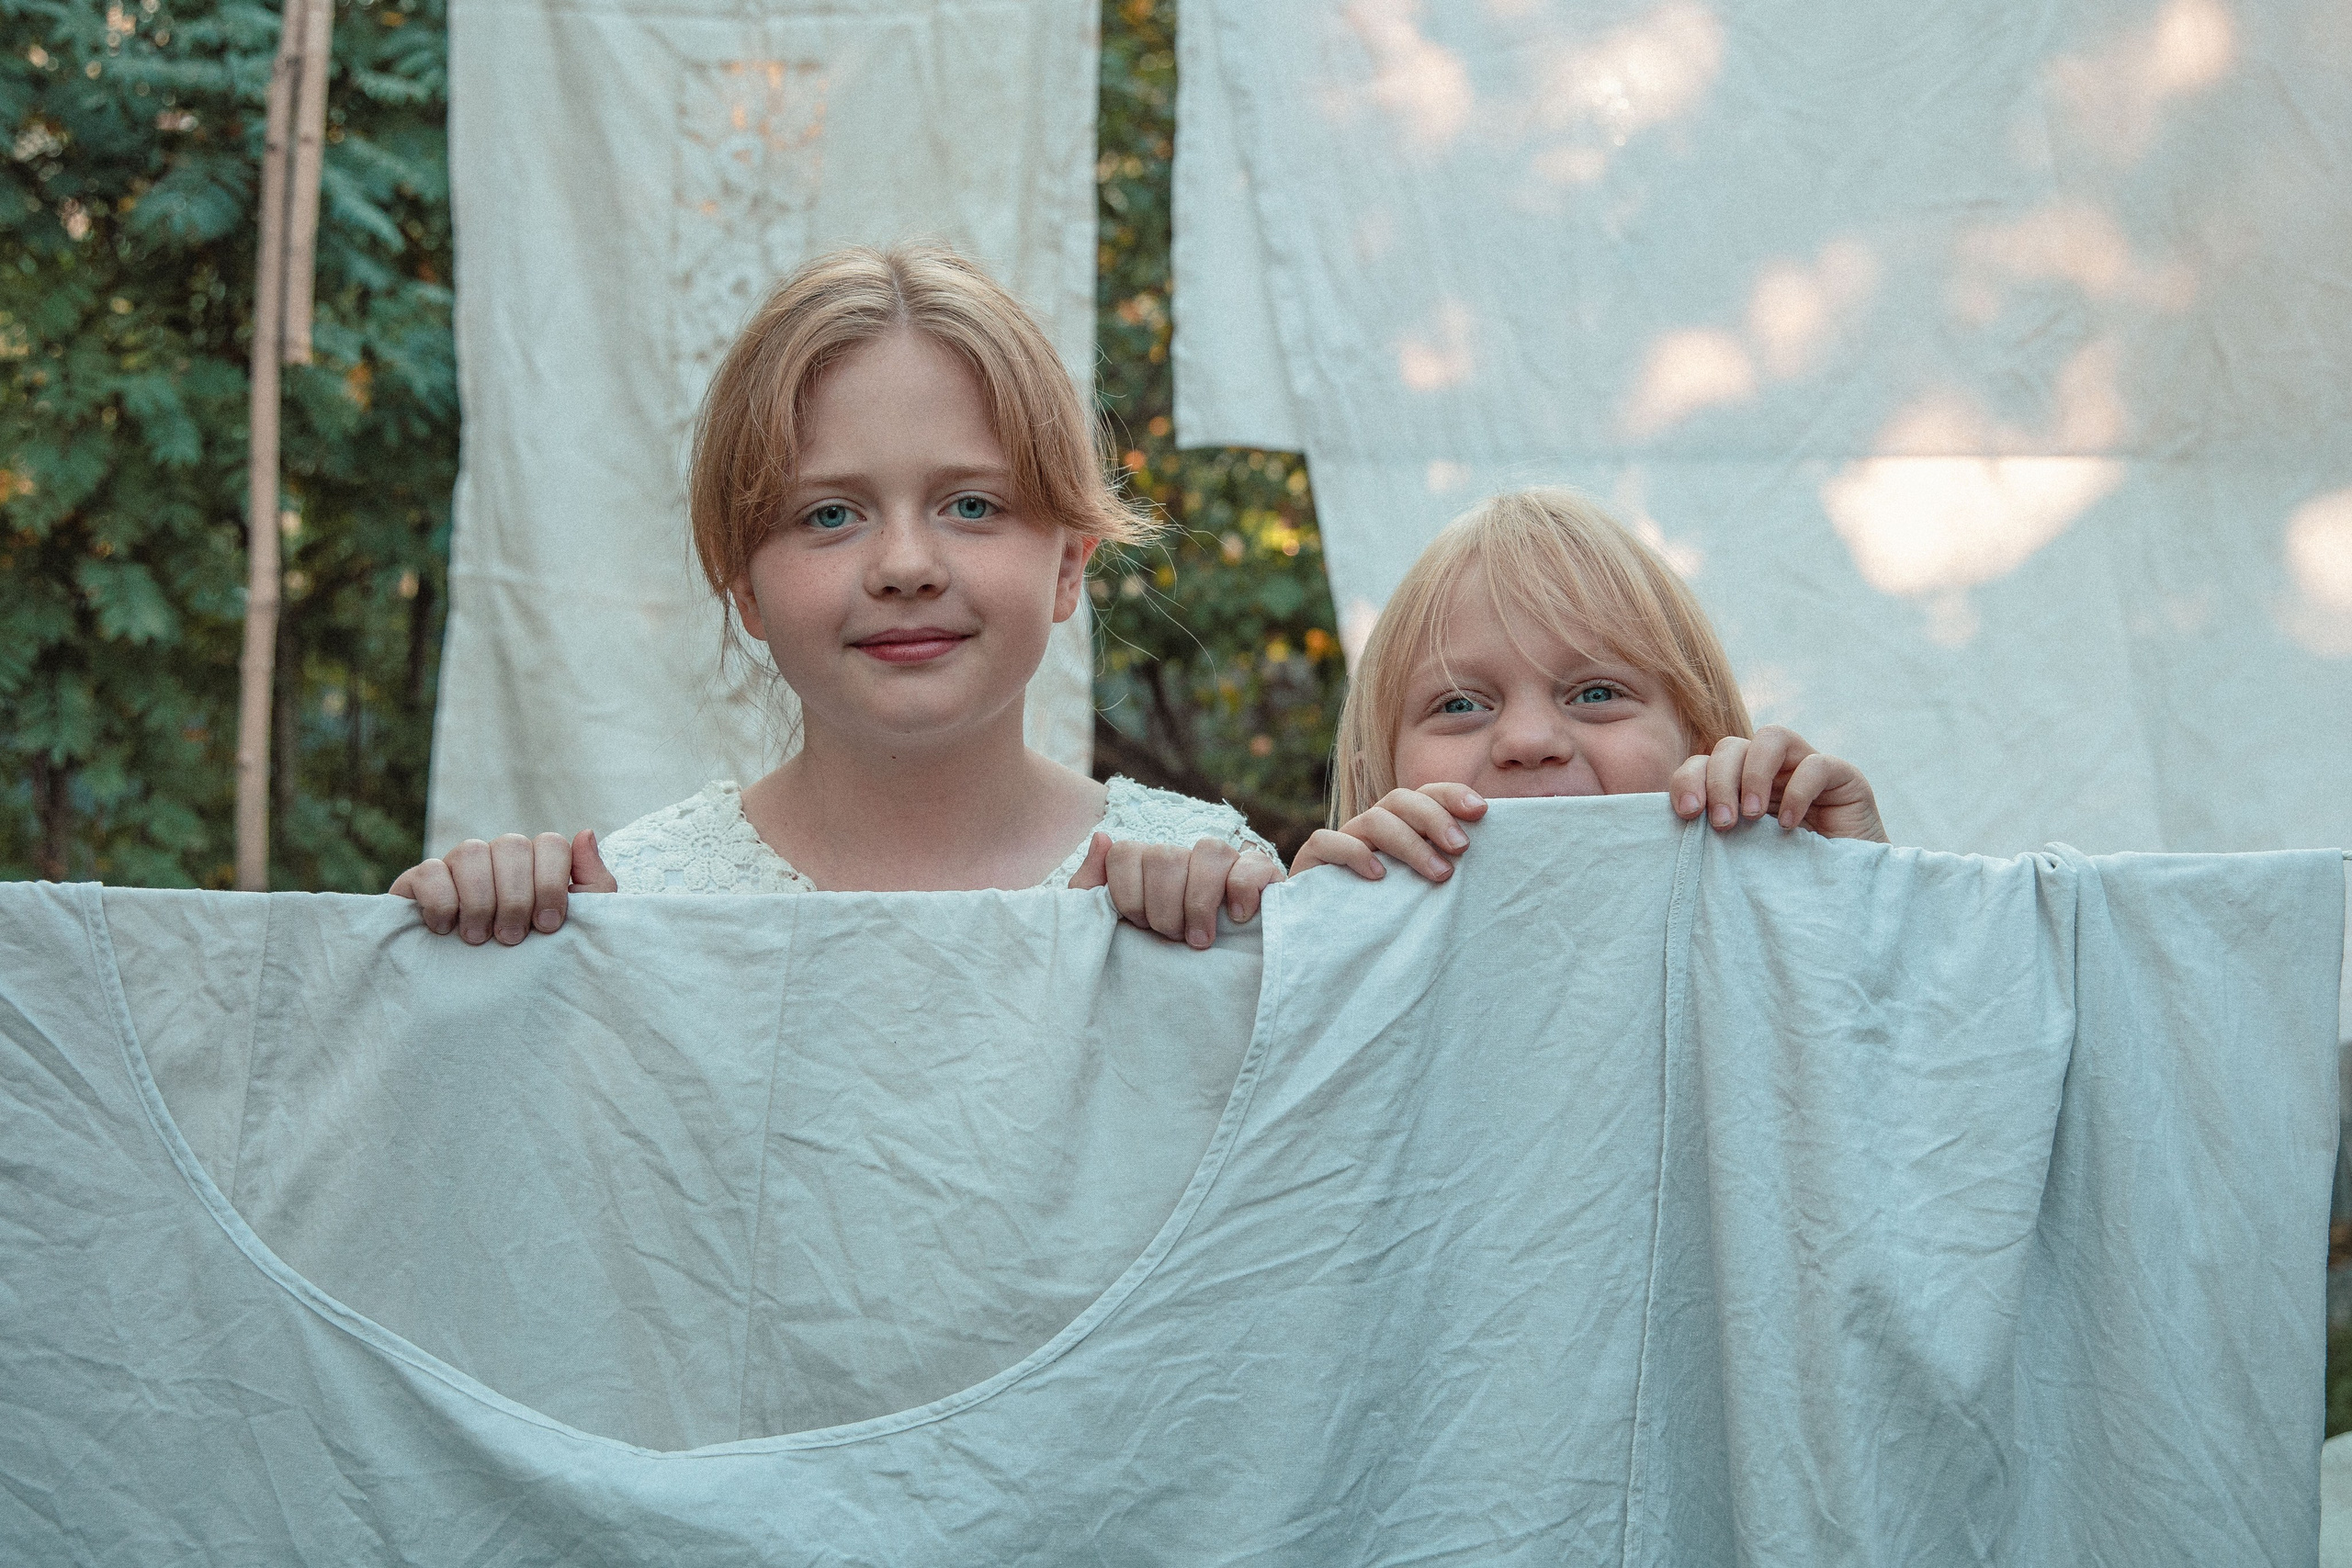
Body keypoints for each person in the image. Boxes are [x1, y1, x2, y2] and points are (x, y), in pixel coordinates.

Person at [392, 243, 1280, 949]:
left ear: (1068, 566)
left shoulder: (1204, 885)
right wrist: (448, 959)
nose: (904, 564)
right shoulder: (627, 907)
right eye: (828, 514)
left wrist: (1245, 949)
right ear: (743, 587)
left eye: (971, 504)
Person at [1292, 488, 1888, 884]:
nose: (1528, 740)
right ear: (1375, 782)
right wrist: (1306, 955)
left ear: (1704, 747)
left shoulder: (1803, 922)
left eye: (1597, 693)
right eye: (1459, 703)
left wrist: (1863, 897)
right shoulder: (1332, 952)